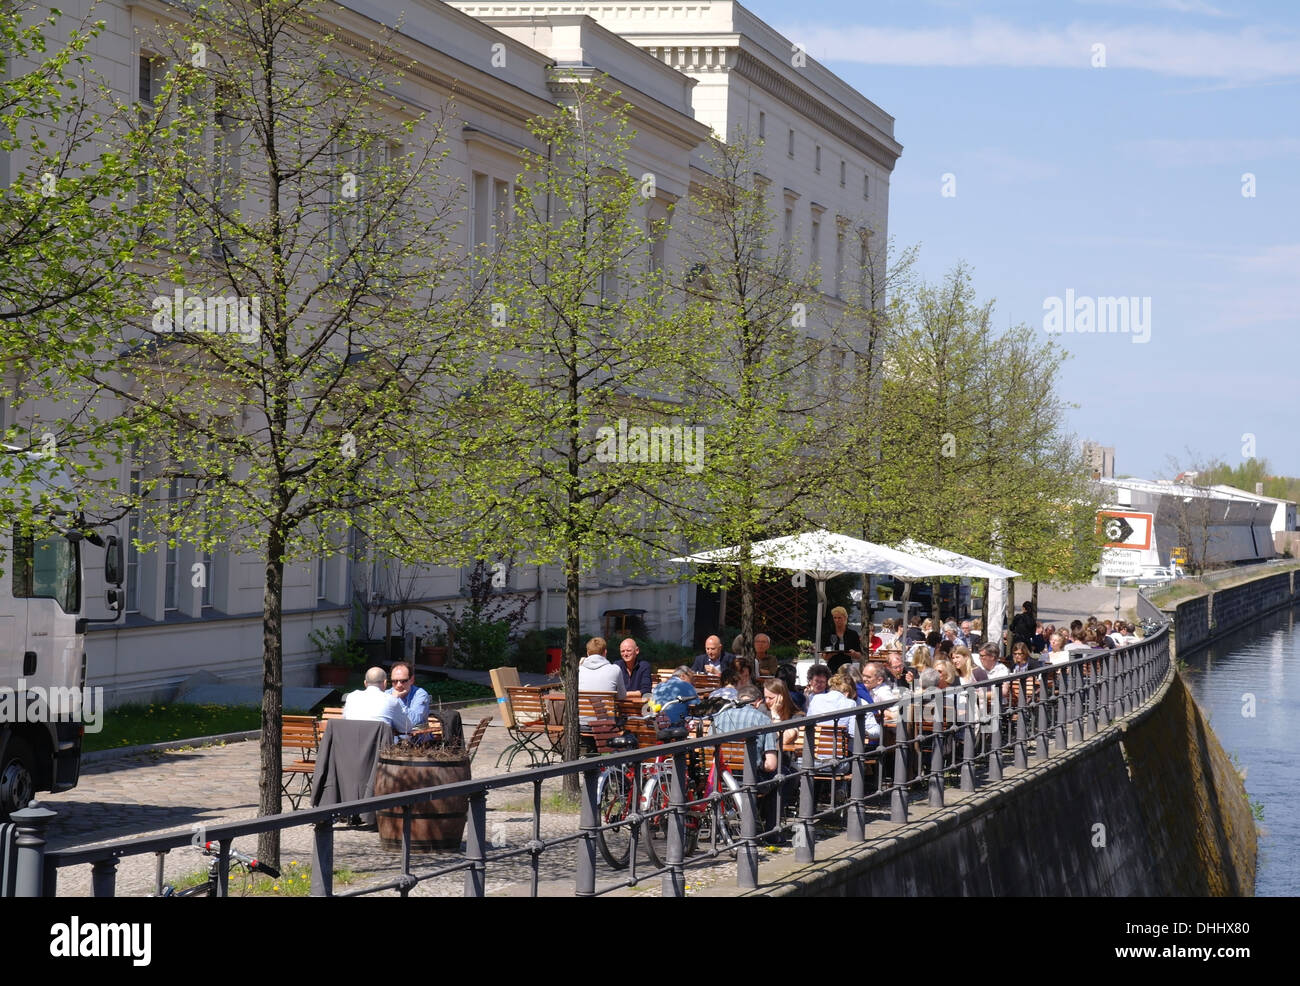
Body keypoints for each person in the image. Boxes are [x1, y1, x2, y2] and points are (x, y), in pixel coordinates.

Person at [344, 666, 411, 734]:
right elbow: (406, 728)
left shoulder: (351, 697)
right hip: (379, 744)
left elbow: (345, 719)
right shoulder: (391, 700)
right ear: (385, 683)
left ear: (365, 683)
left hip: (351, 742)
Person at [385, 661, 430, 728]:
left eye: (403, 681)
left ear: (411, 680)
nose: (398, 685)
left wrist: (396, 700)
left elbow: (412, 721)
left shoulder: (420, 695)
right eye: (394, 681)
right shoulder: (386, 694)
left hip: (417, 736)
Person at [763, 679, 801, 747]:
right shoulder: (763, 712)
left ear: (782, 697)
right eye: (765, 697)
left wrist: (775, 716)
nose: (767, 701)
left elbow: (784, 739)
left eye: (771, 698)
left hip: (783, 756)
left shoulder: (796, 716)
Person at [824, 606, 862, 672]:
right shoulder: (828, 634)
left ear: (845, 618)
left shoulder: (853, 634)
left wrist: (853, 653)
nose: (837, 620)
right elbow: (824, 656)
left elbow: (859, 655)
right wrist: (832, 654)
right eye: (835, 618)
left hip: (847, 668)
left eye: (839, 618)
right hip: (832, 668)